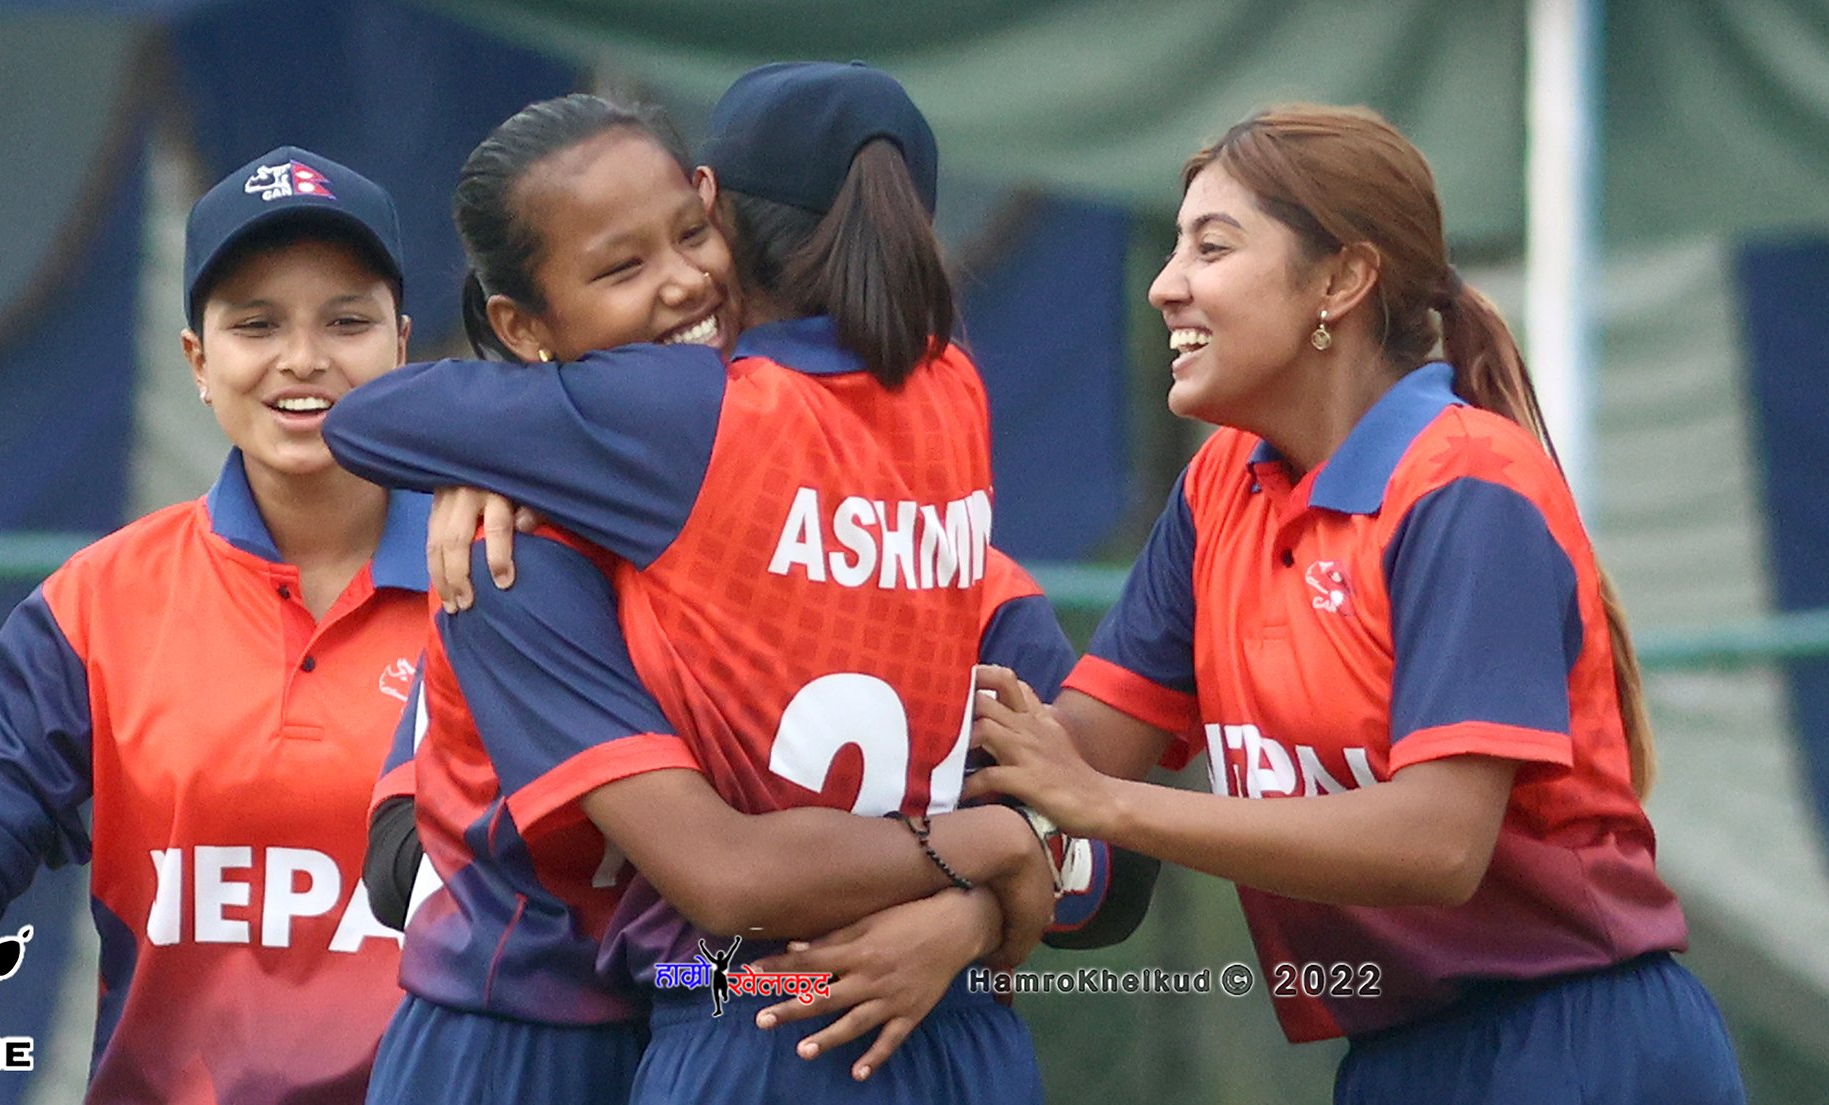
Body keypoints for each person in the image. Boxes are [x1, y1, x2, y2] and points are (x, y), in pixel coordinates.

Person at [326, 67, 1128, 1104]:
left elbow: (1106, 861)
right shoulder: (513, 554)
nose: (684, 282)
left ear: (722, 211)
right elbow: (405, 863)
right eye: (623, 265)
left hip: (734, 1003)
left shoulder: (913, 533)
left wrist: (965, 917)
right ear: (523, 328)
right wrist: (990, 860)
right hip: (539, 1033)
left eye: (690, 235)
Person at [963, 104, 1747, 1105]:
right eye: (1173, 247)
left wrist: (1108, 807)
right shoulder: (1218, 491)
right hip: (1390, 1059)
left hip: (1579, 1046)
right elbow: (1066, 762)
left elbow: (1438, 844)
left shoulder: (1466, 484)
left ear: (1340, 280)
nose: (1166, 285)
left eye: (1212, 247)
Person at [0, 147, 423, 1104]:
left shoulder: (506, 581)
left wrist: (719, 977)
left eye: (347, 321)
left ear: (402, 346)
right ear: (198, 363)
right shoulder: (96, 603)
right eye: (256, 324)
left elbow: (631, 928)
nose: (304, 358)